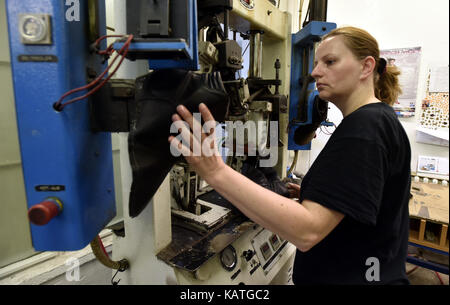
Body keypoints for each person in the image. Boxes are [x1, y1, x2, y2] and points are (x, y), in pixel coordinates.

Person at [168, 26, 411, 285]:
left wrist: (215, 171)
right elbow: (371, 197)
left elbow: (307, 232)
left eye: (330, 62)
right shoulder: (382, 119)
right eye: (317, 62)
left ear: (366, 67)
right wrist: (317, 192)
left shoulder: (364, 130)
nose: (316, 71)